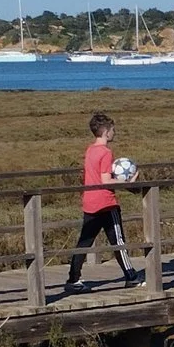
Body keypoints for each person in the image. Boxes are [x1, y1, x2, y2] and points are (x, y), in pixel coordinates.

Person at [62, 111, 139, 297]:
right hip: (106, 203)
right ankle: (131, 277)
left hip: (90, 201)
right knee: (118, 241)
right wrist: (127, 182)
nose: (114, 133)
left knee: (84, 241)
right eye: (113, 129)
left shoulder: (90, 150)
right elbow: (105, 180)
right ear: (106, 131)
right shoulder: (106, 152)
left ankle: (73, 279)